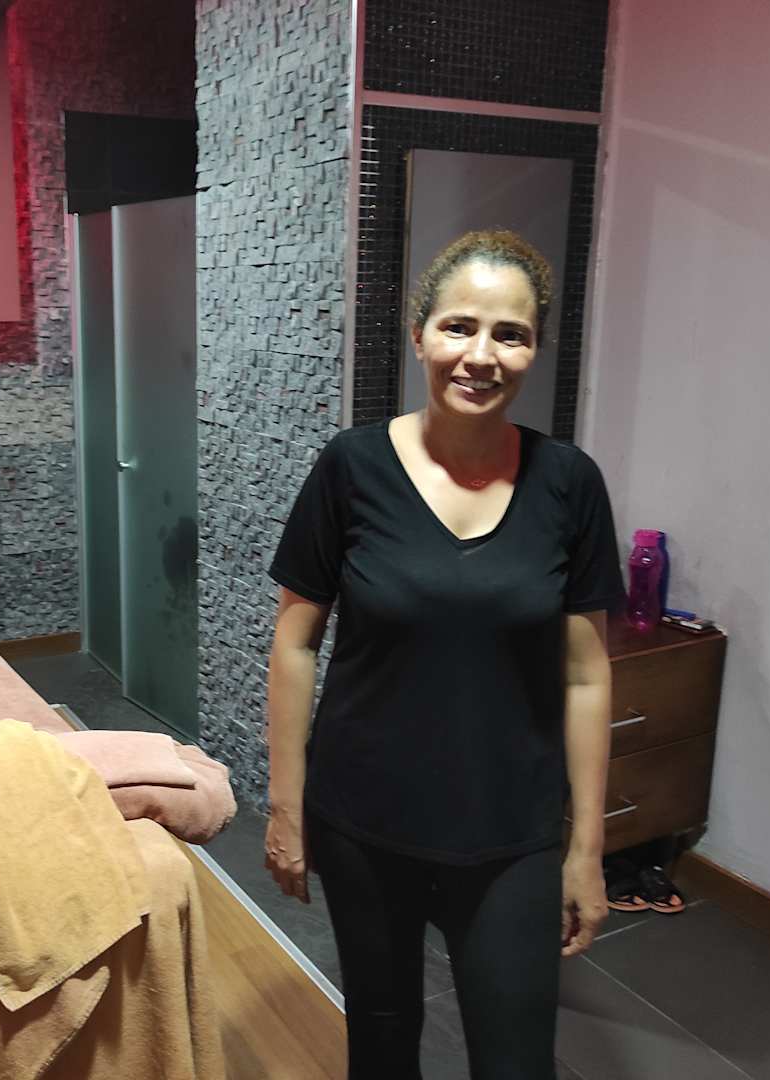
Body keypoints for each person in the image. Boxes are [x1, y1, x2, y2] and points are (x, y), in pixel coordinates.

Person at [264, 230, 621, 1079]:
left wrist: (585, 847)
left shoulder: (568, 482)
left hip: (509, 828)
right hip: (363, 820)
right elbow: (294, 642)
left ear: (534, 348)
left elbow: (585, 674)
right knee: (382, 1039)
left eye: (510, 334)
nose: (481, 356)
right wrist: (284, 806)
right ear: (419, 333)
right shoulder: (350, 467)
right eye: (459, 326)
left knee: (515, 1059)